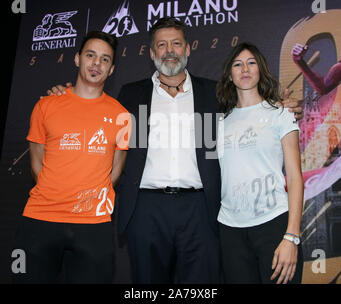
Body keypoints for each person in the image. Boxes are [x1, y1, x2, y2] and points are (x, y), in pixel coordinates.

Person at [47, 17, 303, 284]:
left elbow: (249, 107)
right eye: (161, 44)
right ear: (151, 52)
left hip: (201, 210)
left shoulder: (212, 93)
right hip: (146, 210)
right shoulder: (131, 95)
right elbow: (97, 112)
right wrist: (65, 94)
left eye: (176, 43)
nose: (169, 50)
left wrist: (281, 104)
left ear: (188, 49)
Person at [12, 31, 131, 284]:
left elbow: (116, 171)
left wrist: (89, 199)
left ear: (111, 70)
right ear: (77, 59)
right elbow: (36, 164)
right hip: (41, 219)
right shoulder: (45, 105)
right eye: (90, 55)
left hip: (93, 224)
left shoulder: (122, 116)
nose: (96, 64)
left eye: (105, 59)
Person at [216, 42, 304, 284]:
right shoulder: (217, 124)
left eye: (251, 62)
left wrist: (291, 236)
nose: (244, 68)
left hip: (274, 225)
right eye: (237, 64)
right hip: (230, 231)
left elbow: (295, 177)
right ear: (230, 76)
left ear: (260, 70)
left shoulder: (281, 114)